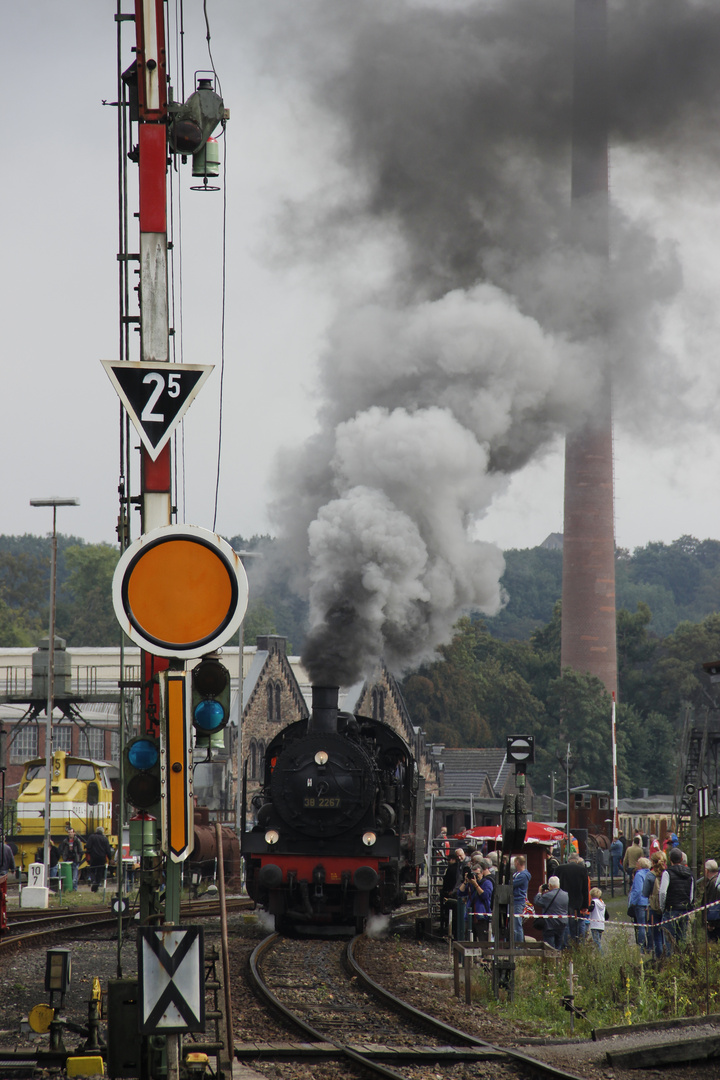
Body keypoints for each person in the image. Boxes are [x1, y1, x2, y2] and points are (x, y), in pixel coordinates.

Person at [659, 847, 694, 947]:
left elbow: (662, 892)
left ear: (670, 859)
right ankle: (681, 959)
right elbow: (691, 893)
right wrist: (688, 905)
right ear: (682, 858)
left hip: (671, 909)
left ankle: (670, 961)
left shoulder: (667, 873)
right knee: (682, 938)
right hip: (684, 909)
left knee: (668, 939)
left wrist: (663, 907)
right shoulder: (689, 873)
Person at [557, 854, 590, 944]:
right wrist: (585, 905)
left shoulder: (560, 869)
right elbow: (585, 889)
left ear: (568, 860)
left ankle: (566, 945)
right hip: (577, 902)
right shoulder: (582, 870)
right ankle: (577, 944)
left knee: (565, 924)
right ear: (577, 860)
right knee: (576, 925)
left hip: (562, 901)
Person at [643, 851, 670, 959]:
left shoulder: (650, 875)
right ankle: (668, 955)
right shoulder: (668, 873)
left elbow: (644, 893)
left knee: (657, 934)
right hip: (667, 907)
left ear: (653, 862)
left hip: (654, 907)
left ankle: (659, 958)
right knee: (667, 934)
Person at [460, 859, 493, 941]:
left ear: (482, 873)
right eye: (474, 874)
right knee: (468, 940)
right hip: (469, 916)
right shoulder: (470, 884)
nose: (476, 876)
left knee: (483, 941)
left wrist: (476, 885)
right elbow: (460, 893)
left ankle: (485, 954)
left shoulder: (487, 883)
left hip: (481, 917)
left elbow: (485, 896)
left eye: (477, 874)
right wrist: (465, 882)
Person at [533, 876, 568, 951]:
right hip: (562, 924)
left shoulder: (548, 896)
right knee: (559, 946)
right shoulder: (566, 895)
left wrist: (539, 892)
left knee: (550, 947)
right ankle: (558, 960)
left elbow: (537, 901)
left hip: (550, 925)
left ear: (550, 885)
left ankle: (551, 961)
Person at [627, 856, 651, 950]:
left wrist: (633, 902)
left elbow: (638, 890)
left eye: (637, 863)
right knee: (649, 925)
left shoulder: (638, 874)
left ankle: (641, 947)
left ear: (640, 865)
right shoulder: (650, 874)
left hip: (640, 902)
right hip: (649, 903)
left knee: (641, 925)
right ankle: (650, 946)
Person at [85, 827, 114, 892]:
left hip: (93, 857)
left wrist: (90, 853)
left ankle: (93, 880)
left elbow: (87, 846)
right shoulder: (105, 839)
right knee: (99, 872)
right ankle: (96, 886)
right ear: (103, 832)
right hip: (102, 858)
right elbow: (108, 850)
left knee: (92, 870)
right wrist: (110, 859)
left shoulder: (92, 837)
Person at [512, 854, 532, 944]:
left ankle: (519, 945)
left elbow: (512, 884)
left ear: (517, 862)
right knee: (514, 925)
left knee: (517, 925)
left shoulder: (523, 875)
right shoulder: (517, 874)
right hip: (514, 901)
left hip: (518, 901)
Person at [702, 859, 720, 942]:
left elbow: (713, 903)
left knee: (713, 942)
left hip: (715, 922)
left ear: (707, 870)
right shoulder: (716, 881)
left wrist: (711, 923)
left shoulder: (713, 883)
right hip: (716, 920)